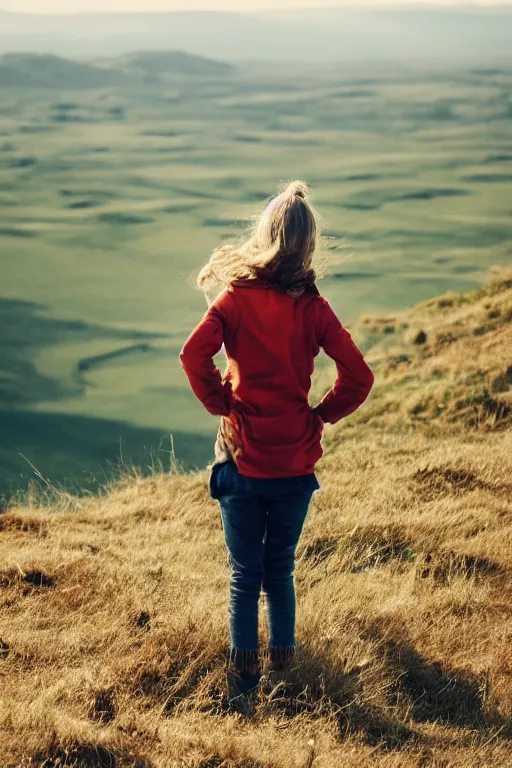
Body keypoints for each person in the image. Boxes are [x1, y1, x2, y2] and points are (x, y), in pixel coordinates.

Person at [180, 180, 374, 709]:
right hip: (294, 462)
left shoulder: (235, 299)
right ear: (308, 245)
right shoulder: (314, 308)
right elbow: (359, 376)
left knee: (245, 576)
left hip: (242, 460)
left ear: (264, 236)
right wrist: (319, 416)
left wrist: (222, 402)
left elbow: (192, 355)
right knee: (279, 569)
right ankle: (285, 678)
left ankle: (244, 691)